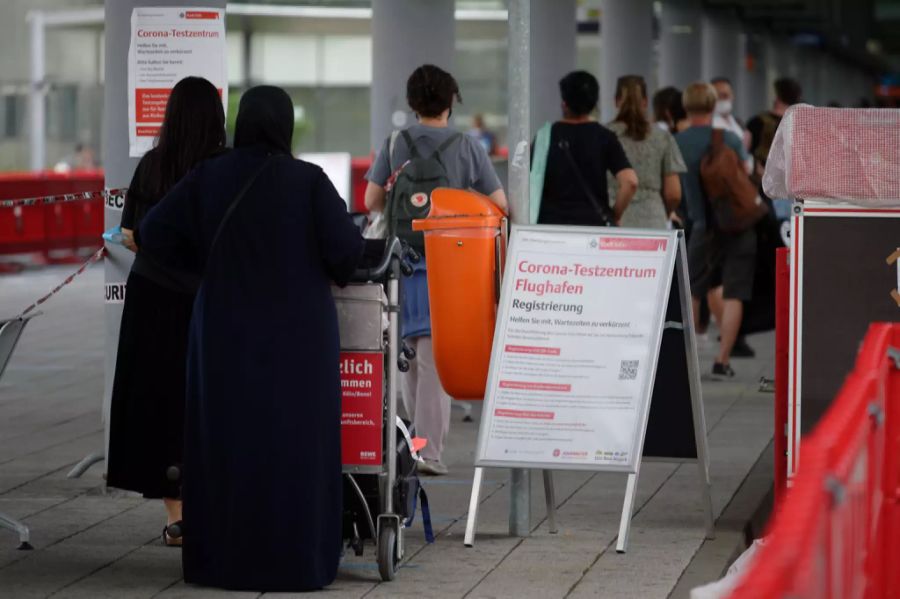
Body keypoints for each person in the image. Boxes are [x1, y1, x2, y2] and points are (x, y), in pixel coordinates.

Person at [138, 86, 364, 591]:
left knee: (224, 443)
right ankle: (297, 563)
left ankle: (221, 562)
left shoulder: (207, 176)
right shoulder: (308, 182)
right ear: (283, 126)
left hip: (223, 335)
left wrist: (202, 267)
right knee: (296, 445)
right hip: (297, 340)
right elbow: (348, 253)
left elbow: (153, 234)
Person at [364, 64, 507, 476]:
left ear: (413, 103)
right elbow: (498, 204)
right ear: (451, 101)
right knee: (431, 361)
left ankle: (414, 444)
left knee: (405, 358)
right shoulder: (465, 146)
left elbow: (373, 200)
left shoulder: (394, 143)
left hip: (398, 264)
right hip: (447, 266)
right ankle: (428, 451)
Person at [106, 76, 226, 546]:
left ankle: (177, 515)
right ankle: (211, 500)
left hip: (153, 299)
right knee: (205, 401)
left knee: (158, 402)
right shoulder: (223, 170)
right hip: (208, 302)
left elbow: (129, 233)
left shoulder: (153, 166)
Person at [675, 82, 754, 378]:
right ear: (711, 106)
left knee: (693, 290)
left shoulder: (678, 141)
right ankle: (722, 361)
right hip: (737, 224)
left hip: (701, 225)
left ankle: (690, 359)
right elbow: (746, 172)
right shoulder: (729, 138)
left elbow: (675, 187)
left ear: (687, 106)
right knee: (734, 290)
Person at [534, 70, 638, 226]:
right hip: (593, 228)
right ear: (594, 102)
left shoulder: (545, 136)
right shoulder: (605, 137)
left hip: (552, 227)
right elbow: (630, 182)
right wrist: (613, 214)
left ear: (564, 103)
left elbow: (530, 182)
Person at [606, 75, 686, 229]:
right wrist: (666, 212)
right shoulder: (662, 137)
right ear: (645, 102)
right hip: (652, 220)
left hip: (613, 222)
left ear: (616, 101)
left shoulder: (603, 135)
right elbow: (674, 193)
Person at [747, 78, 802, 181]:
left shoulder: (756, 122)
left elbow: (745, 150)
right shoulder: (800, 125)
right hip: (791, 184)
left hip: (760, 180)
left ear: (777, 97)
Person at [711, 77, 751, 151]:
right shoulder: (708, 123)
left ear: (732, 95)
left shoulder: (738, 123)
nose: (722, 99)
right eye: (718, 96)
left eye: (725, 95)